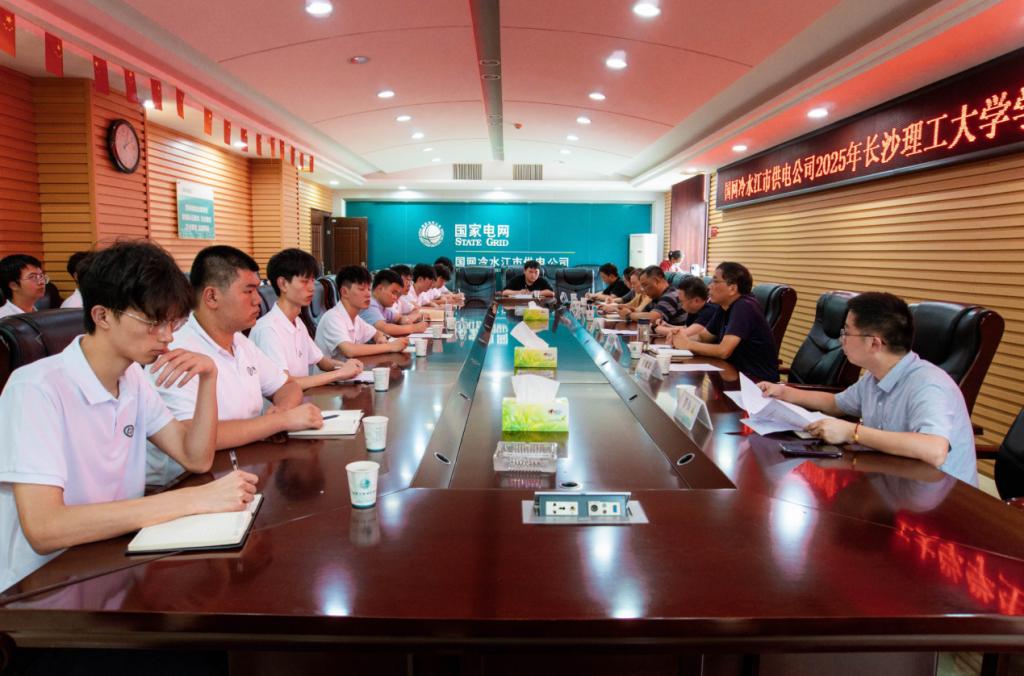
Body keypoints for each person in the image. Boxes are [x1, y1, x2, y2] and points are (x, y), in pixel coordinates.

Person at [0, 240, 257, 590]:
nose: (167, 337)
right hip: (43, 586)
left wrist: (209, 377)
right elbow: (46, 528)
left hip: (113, 562)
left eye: (171, 322)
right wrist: (192, 499)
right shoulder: (35, 388)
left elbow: (195, 458)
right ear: (102, 316)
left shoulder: (132, 376)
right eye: (153, 322)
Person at [758, 292, 978, 485]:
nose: (841, 339)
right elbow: (836, 404)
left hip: (940, 497)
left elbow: (934, 450)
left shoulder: (928, 384)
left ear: (874, 343)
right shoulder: (875, 377)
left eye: (847, 332)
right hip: (893, 480)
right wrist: (784, 392)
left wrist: (852, 432)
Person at [148, 246, 323, 484]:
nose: (257, 300)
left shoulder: (240, 341)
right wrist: (279, 421)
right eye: (248, 291)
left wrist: (282, 410)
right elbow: (193, 438)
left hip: (245, 468)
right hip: (189, 483)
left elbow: (287, 386)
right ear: (211, 297)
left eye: (257, 290)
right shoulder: (176, 351)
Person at [250, 248, 364, 389]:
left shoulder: (297, 322)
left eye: (312, 280)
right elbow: (285, 384)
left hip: (305, 398)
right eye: (305, 282)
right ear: (283, 284)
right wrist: (340, 373)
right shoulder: (268, 330)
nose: (312, 288)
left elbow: (322, 361)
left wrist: (347, 366)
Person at [671, 262, 779, 382]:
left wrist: (687, 344)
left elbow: (724, 351)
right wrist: (679, 337)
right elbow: (703, 337)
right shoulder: (724, 306)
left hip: (757, 382)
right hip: (732, 373)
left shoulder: (744, 306)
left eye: (715, 281)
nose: (709, 286)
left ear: (732, 288)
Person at [315, 265, 409, 359]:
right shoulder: (333, 318)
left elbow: (376, 333)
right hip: (334, 368)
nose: (368, 294)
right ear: (344, 292)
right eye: (361, 289)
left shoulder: (356, 318)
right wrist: (390, 347)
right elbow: (350, 350)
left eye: (368, 289)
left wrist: (380, 338)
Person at [361, 268, 429, 337]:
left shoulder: (382, 307)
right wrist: (414, 328)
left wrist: (404, 320)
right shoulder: (369, 303)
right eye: (393, 292)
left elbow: (398, 318)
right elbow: (384, 328)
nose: (395, 297)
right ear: (380, 289)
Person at [0, 254, 47, 318]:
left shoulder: (39, 315)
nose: (41, 282)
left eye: (41, 276)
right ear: (13, 285)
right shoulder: (3, 318)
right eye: (32, 277)